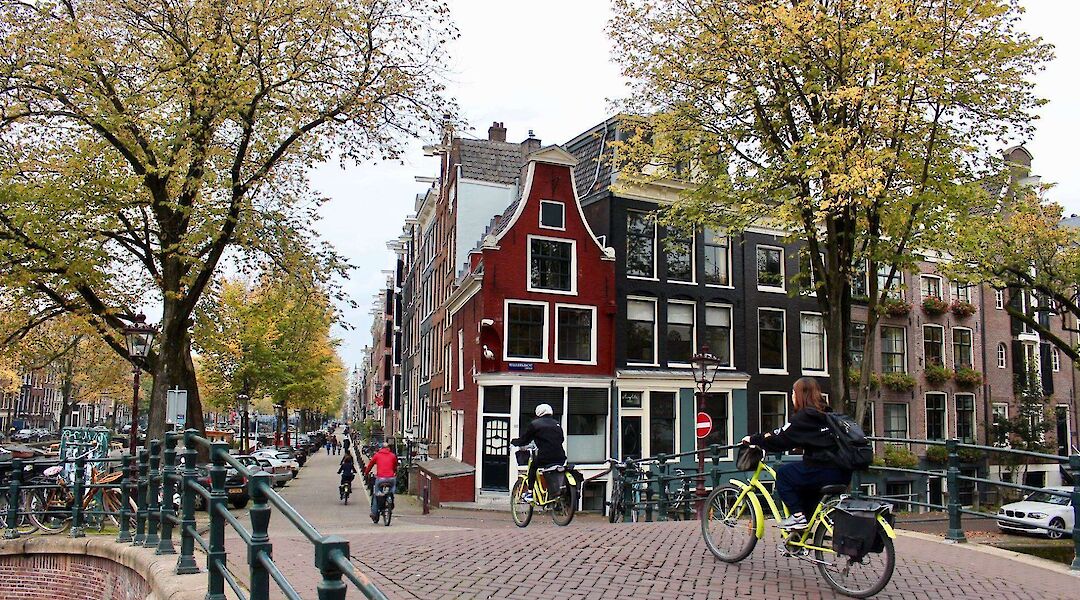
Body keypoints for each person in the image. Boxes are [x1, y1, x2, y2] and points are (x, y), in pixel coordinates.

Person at [740, 377, 851, 530]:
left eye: (793, 393)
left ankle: (797, 517)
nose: (792, 396)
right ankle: (800, 535)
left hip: (823, 470)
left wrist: (754, 439)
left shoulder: (804, 417)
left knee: (784, 474)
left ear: (799, 395)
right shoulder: (828, 415)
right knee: (804, 493)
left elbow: (781, 439)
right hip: (843, 472)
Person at [510, 403, 567, 503]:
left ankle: (530, 492)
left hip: (544, 456)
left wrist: (514, 442)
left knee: (533, 466)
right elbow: (561, 439)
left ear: (538, 412)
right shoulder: (557, 424)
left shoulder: (535, 424)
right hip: (560, 457)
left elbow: (525, 440)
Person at [363, 442, 398, 523]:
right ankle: (391, 499)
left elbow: (370, 465)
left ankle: (374, 513)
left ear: (381, 448)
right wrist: (394, 472)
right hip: (391, 478)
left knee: (376, 494)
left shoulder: (377, 455)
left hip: (380, 478)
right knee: (392, 489)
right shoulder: (392, 456)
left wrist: (366, 473)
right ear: (388, 448)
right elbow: (395, 466)